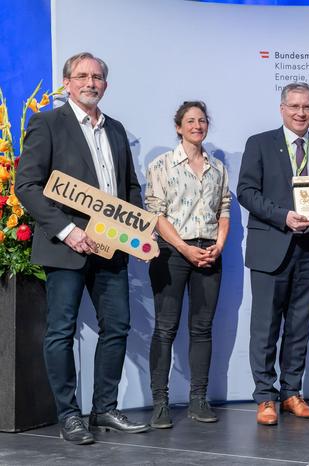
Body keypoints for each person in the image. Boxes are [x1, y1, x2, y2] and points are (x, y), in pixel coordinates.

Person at [15, 52, 149, 444]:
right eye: (82, 76)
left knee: (118, 326)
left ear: (105, 84)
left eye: (97, 77)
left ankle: (103, 408)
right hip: (66, 246)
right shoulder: (47, 123)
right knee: (61, 331)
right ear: (67, 82)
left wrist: (134, 226)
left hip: (111, 247)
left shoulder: (117, 129)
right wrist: (69, 230)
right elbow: (26, 186)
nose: (91, 82)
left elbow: (129, 187)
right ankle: (69, 415)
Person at [236, 82, 309, 426]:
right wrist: (283, 216)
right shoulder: (260, 143)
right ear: (282, 109)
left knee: (299, 326)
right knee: (265, 327)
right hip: (271, 248)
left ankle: (292, 393)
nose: (301, 113)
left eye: (307, 107)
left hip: (308, 250)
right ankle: (265, 396)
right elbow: (245, 192)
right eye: (294, 106)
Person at [145, 101, 231, 428]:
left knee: (202, 329)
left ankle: (198, 399)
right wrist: (183, 248)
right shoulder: (161, 165)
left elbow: (224, 210)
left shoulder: (218, 168)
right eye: (190, 121)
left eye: (202, 120)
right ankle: (160, 403)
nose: (197, 125)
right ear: (178, 127)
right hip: (171, 252)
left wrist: (219, 245)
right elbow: (156, 213)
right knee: (166, 328)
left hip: (209, 252)